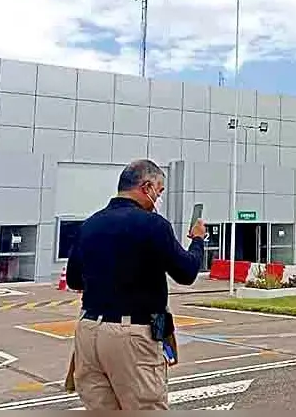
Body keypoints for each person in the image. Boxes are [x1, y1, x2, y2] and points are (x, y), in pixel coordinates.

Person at [66, 159, 206, 410]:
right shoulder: (153, 225)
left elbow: (74, 280)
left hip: (88, 332)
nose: (159, 197)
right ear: (146, 186)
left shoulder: (90, 224)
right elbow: (186, 273)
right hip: (131, 334)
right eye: (159, 191)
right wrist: (197, 240)